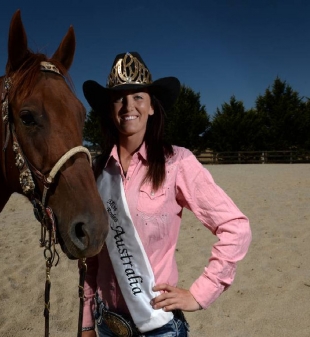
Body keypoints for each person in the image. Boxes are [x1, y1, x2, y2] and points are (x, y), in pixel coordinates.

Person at [80, 52, 252, 337]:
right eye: (119, 98)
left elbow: (236, 226)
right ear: (110, 109)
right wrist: (86, 322)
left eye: (138, 97)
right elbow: (91, 259)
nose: (127, 106)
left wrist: (199, 294)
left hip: (159, 327)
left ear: (151, 107)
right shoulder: (96, 172)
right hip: (107, 324)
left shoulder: (177, 163)